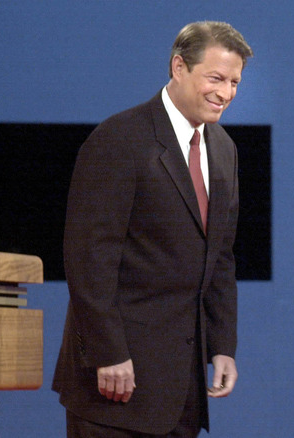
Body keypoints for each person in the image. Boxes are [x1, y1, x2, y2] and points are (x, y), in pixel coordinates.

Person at [52, 21, 253, 437]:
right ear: (179, 67)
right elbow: (89, 257)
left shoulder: (224, 149)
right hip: (114, 386)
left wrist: (222, 346)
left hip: (182, 392)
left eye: (234, 81)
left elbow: (220, 257)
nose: (226, 93)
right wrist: (108, 353)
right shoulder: (119, 139)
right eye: (215, 78)